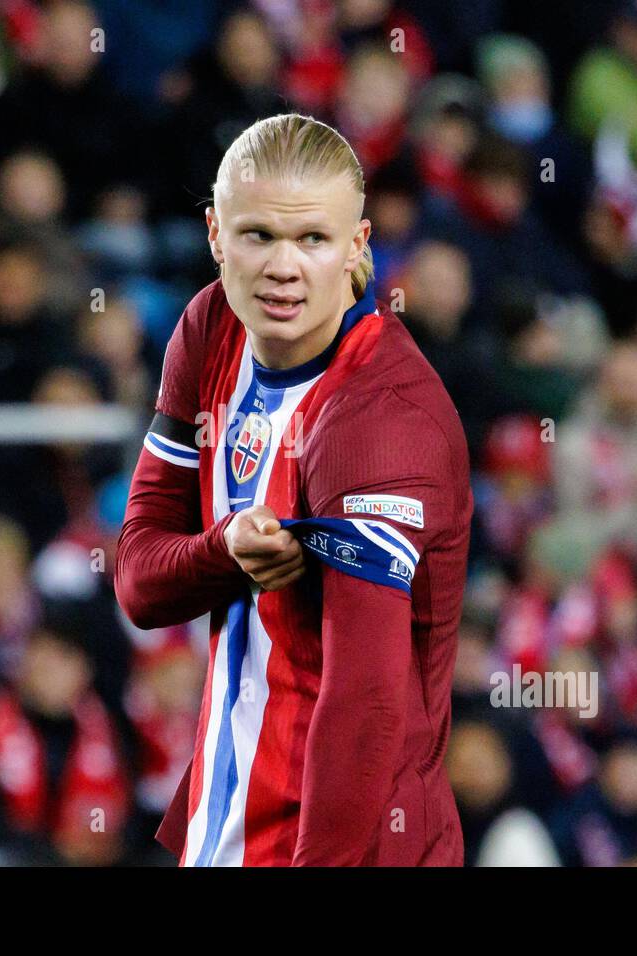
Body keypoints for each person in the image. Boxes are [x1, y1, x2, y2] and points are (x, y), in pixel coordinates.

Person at [114, 113, 472, 866]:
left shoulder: (381, 417)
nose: (285, 267)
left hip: (356, 846)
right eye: (258, 236)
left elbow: (366, 702)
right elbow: (141, 583)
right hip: (223, 828)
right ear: (215, 236)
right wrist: (226, 551)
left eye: (313, 239)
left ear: (357, 247)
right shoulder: (209, 328)